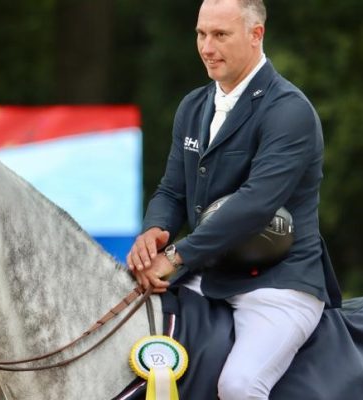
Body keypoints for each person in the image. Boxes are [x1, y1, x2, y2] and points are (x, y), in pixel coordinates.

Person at [126, 0, 342, 398]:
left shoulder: (289, 111)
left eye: (220, 35)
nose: (207, 47)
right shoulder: (193, 106)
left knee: (240, 386)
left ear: (256, 34)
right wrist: (153, 233)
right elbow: (172, 191)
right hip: (204, 276)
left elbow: (255, 205)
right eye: (201, 34)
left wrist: (175, 256)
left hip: (277, 285)